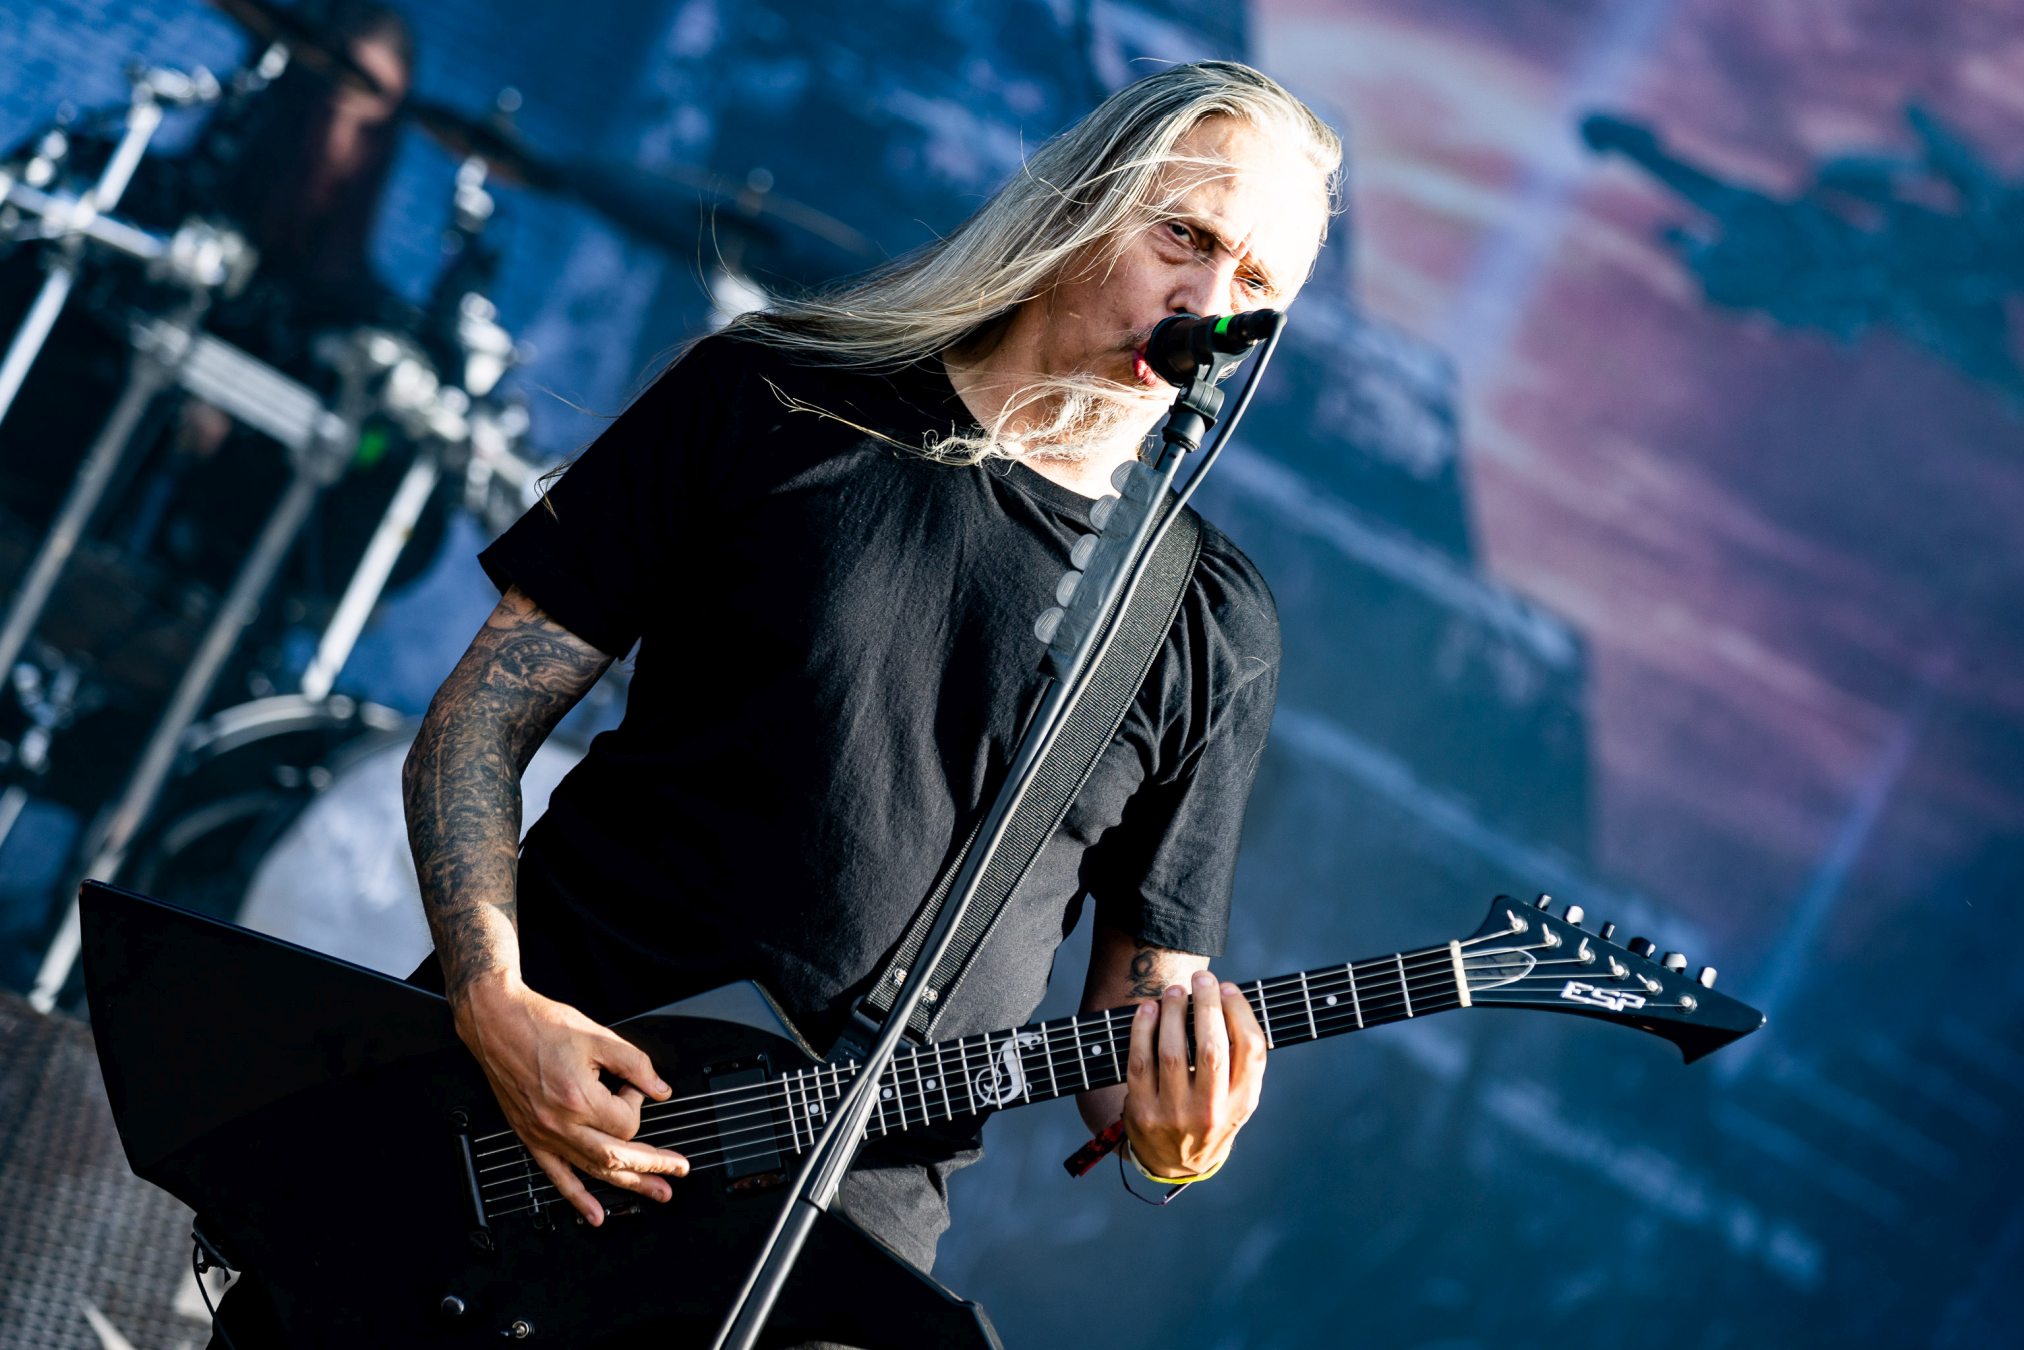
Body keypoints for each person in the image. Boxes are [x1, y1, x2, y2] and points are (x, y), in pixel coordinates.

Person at [398, 57, 1338, 1335]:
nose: (1208, 306)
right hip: (519, 1123)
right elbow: (475, 724)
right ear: (1080, 203)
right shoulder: (774, 394)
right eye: (1184, 236)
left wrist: (1183, 1143)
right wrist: (494, 1005)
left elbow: (1134, 1046)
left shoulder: (1204, 622)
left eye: (1257, 285)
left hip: (824, 1243)